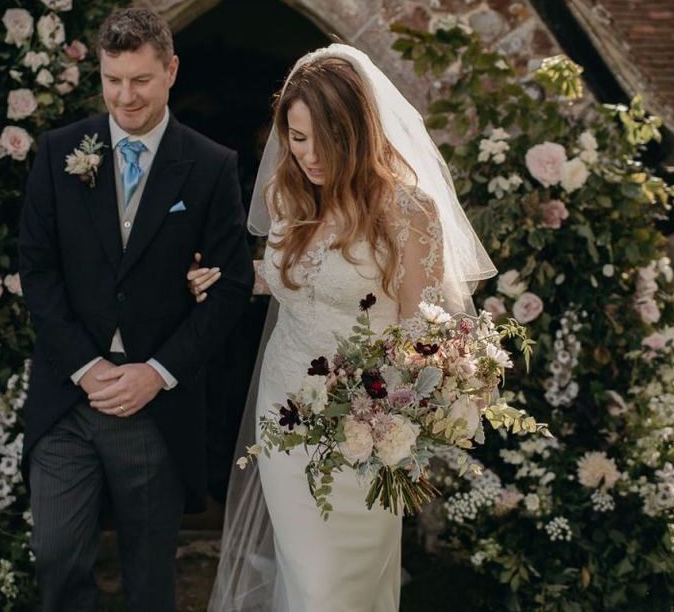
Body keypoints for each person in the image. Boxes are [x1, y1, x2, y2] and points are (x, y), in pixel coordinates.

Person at [193, 44, 496, 611]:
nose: (305, 154)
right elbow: (296, 280)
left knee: (336, 591)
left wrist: (410, 408)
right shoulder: (289, 195)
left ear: (355, 131)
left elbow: (426, 330)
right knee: (307, 584)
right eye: (295, 137)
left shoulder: (408, 211)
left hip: (365, 428)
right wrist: (226, 275)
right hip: (284, 414)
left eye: (318, 139)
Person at [18, 7, 253, 612]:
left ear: (170, 71)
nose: (126, 96)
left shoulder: (210, 165)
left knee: (149, 579)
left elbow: (231, 287)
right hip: (69, 397)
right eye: (113, 79)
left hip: (156, 405)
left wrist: (157, 373)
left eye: (141, 80)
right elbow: (38, 273)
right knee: (57, 555)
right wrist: (84, 366)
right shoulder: (60, 152)